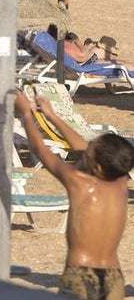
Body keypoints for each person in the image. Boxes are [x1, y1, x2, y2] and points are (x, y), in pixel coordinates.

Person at [14, 91, 133, 300]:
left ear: (96, 166)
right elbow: (83, 148)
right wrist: (51, 115)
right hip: (113, 277)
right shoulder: (121, 182)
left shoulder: (79, 183)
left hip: (81, 275)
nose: (85, 149)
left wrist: (25, 113)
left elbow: (40, 149)